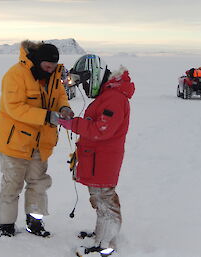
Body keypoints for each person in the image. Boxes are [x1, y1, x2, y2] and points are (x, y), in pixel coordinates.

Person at [0, 40, 74, 238]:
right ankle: (6, 225)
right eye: (47, 66)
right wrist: (47, 116)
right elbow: (14, 107)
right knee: (12, 184)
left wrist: (63, 108)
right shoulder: (15, 75)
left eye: (53, 67)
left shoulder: (54, 76)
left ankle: (35, 222)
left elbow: (60, 95)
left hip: (41, 143)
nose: (50, 70)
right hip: (15, 142)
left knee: (38, 182)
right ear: (38, 61)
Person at [59, 62, 135, 256]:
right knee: (99, 199)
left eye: (85, 83)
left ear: (94, 76)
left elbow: (102, 129)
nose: (85, 88)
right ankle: (101, 235)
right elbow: (96, 124)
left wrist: (72, 124)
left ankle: (105, 245)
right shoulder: (108, 95)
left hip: (103, 159)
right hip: (97, 158)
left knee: (106, 200)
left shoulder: (114, 98)